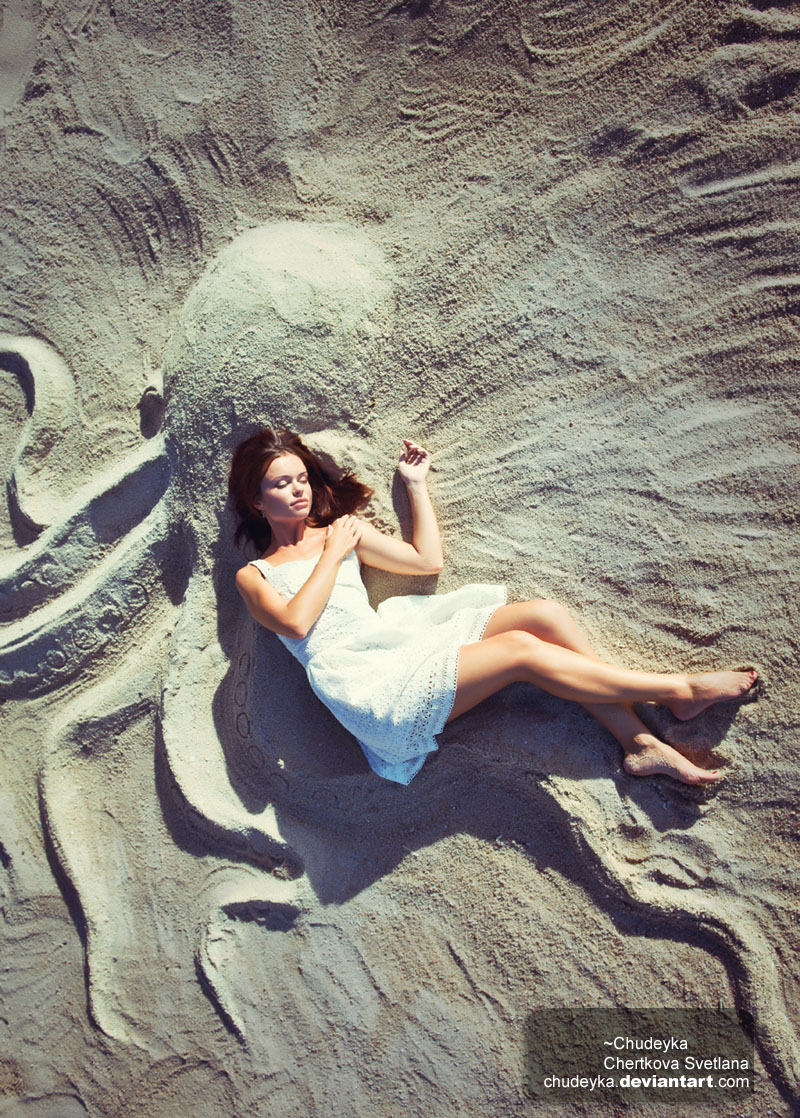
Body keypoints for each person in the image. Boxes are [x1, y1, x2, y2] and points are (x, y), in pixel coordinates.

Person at [230, 428, 758, 787]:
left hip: (397, 646)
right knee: (521, 651)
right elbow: (295, 622)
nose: (298, 491)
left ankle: (638, 741)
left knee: (544, 616)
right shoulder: (255, 575)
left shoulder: (339, 533)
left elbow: (426, 560)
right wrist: (333, 554)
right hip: (367, 689)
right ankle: (678, 691)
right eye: (281, 484)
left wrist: (415, 486)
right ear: (256, 501)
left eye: (302, 478)